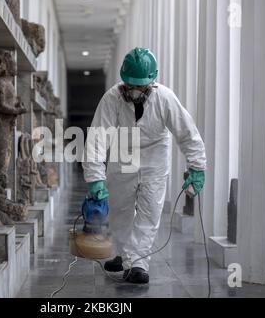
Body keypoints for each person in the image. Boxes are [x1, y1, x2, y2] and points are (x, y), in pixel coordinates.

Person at [82, 48, 206, 284]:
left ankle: (137, 263)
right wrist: (95, 177)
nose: (135, 91)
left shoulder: (165, 98)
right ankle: (123, 253)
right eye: (131, 85)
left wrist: (197, 167)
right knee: (120, 210)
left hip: (155, 157)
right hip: (122, 154)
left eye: (140, 86)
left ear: (152, 81)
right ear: (124, 81)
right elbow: (98, 138)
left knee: (150, 210)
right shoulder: (112, 98)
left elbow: (187, 133)